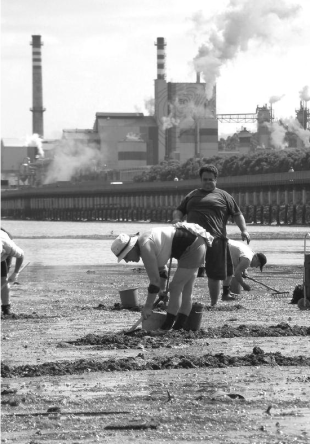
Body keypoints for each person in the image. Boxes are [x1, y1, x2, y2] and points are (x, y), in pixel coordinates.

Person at [111, 223, 213, 333]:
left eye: (125, 256)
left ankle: (166, 327)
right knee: (186, 290)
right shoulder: (144, 243)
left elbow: (154, 282)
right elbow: (162, 271)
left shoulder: (145, 246)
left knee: (175, 287)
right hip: (196, 243)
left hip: (192, 247)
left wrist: (148, 307)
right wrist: (161, 290)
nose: (126, 261)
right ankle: (178, 327)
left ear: (131, 248)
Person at [172, 164, 251, 306]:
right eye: (205, 179)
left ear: (216, 180)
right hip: (193, 240)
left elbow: (237, 215)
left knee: (215, 274)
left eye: (211, 179)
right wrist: (177, 220)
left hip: (216, 239)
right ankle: (181, 302)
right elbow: (179, 211)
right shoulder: (192, 195)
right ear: (200, 180)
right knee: (186, 271)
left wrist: (244, 230)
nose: (208, 182)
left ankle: (213, 303)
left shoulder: (224, 196)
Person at [1, 228, 25, 316]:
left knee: (3, 279)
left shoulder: (8, 246)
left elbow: (21, 255)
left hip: (4, 241)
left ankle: (6, 309)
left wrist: (15, 273)